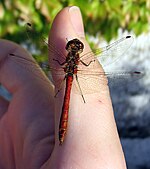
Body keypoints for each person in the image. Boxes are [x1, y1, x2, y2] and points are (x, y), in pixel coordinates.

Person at [0, 6, 127, 169]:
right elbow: (86, 63)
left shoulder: (64, 61)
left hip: (65, 79)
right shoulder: (80, 61)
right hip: (70, 78)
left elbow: (59, 64)